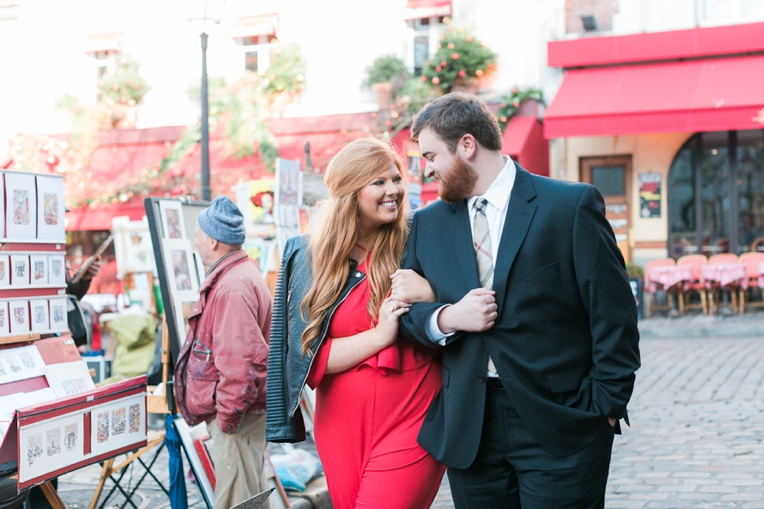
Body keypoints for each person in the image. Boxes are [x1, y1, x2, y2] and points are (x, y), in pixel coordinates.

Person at [395, 93, 641, 508]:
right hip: (470, 428)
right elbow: (405, 313)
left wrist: (605, 405)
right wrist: (448, 317)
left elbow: (613, 313)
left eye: (432, 155)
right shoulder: (426, 224)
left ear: (467, 146)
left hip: (563, 422)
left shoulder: (569, 206)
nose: (428, 168)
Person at [266, 138, 446, 508]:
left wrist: (429, 293)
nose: (393, 190)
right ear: (350, 191)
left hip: (415, 412)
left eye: (396, 179)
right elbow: (307, 360)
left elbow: (455, 312)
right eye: (378, 182)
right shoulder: (309, 258)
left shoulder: (418, 240)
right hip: (341, 425)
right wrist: (380, 336)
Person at [174, 196, 272, 509]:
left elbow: (239, 365)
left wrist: (227, 419)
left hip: (237, 416)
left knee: (237, 501)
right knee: (249, 497)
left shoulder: (232, 286)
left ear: (213, 241)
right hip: (243, 413)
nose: (196, 241)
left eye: (199, 235)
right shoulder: (239, 275)